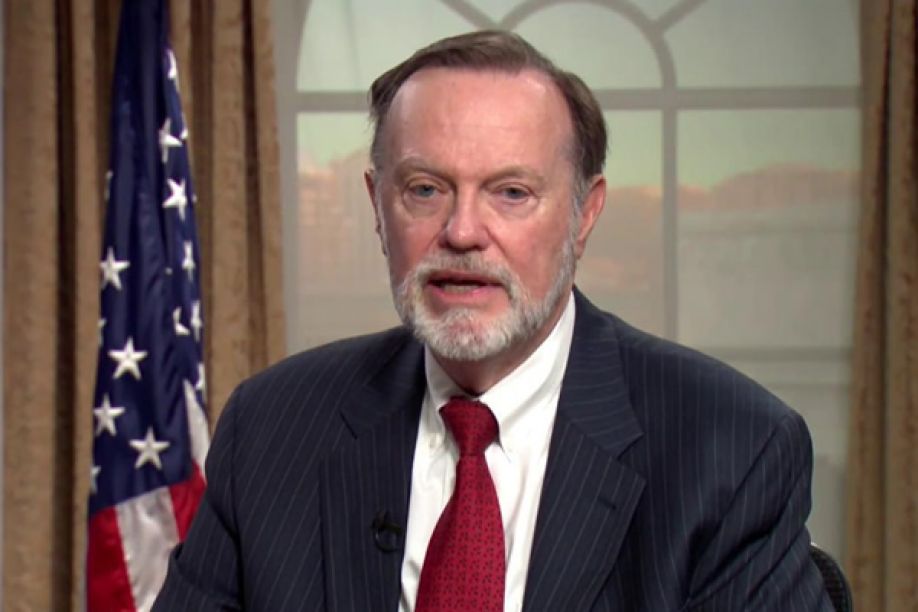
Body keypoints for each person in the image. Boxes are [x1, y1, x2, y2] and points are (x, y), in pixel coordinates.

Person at [154, 30, 832, 611]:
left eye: (511, 193)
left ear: (584, 214)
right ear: (377, 205)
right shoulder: (271, 428)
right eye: (425, 189)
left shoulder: (729, 448)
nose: (462, 232)